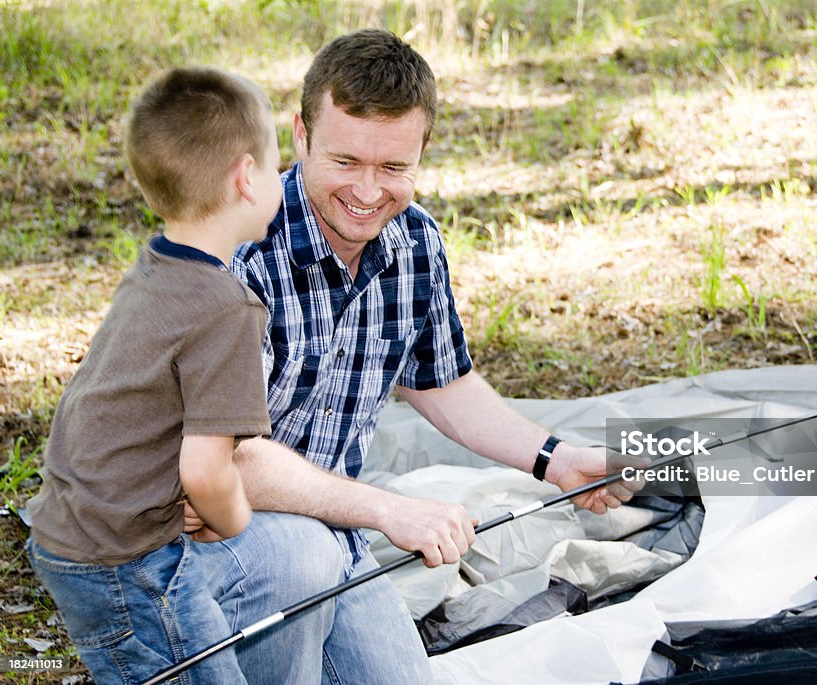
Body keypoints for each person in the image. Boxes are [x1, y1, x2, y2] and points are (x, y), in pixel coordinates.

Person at [184, 29, 638, 684]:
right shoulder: (236, 252)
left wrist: (557, 458)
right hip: (190, 542)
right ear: (301, 137)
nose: (369, 192)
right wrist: (386, 508)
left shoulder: (415, 240)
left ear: (422, 151)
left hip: (327, 532)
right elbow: (229, 456)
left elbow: (445, 382)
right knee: (299, 560)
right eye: (346, 160)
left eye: (394, 168)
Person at [25, 67, 283, 684]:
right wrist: (238, 526)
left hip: (75, 530)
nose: (281, 180)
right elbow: (204, 470)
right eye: (278, 166)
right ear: (247, 178)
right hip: (125, 565)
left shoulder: (157, 265)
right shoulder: (226, 307)